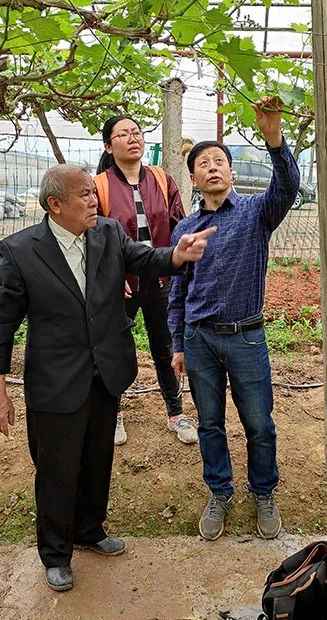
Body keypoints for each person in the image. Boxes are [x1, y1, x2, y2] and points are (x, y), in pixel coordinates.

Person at [0, 164, 215, 592]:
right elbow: (1, 324)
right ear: (55, 205)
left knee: (97, 460)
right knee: (56, 470)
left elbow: (144, 258)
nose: (94, 200)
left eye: (94, 192)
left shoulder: (107, 234)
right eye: (83, 195)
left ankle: (89, 529)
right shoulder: (20, 251)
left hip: (104, 374)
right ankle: (56, 553)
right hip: (55, 382)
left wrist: (177, 255)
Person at [167, 96, 300, 541]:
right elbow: (178, 292)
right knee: (209, 423)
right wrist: (177, 345)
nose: (213, 167)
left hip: (246, 338)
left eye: (219, 160)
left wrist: (274, 140)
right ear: (193, 178)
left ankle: (264, 492)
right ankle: (219, 491)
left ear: (231, 171)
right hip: (200, 339)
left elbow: (287, 188)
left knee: (259, 422)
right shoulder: (184, 229)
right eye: (203, 162)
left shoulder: (256, 213)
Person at [95, 115, 197, 447]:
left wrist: (181, 266)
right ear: (109, 146)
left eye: (136, 132)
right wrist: (109, 276)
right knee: (114, 350)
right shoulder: (99, 186)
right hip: (121, 284)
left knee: (166, 347)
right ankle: (112, 415)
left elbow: (178, 224)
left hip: (160, 279)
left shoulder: (161, 178)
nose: (132, 138)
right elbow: (91, 237)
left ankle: (176, 413)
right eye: (122, 134)